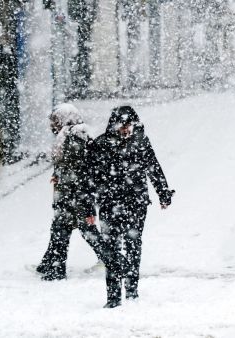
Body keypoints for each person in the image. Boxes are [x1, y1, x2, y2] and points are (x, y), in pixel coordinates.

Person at [89, 105, 174, 308]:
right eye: (122, 125)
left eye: (129, 125)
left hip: (136, 203)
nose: (126, 129)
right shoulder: (101, 144)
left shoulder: (141, 142)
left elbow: (153, 166)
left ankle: (132, 290)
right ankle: (113, 296)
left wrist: (163, 193)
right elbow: (89, 179)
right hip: (109, 205)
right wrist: (88, 207)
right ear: (114, 125)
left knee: (133, 244)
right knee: (110, 248)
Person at [34, 103, 111, 281]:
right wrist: (58, 175)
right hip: (69, 197)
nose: (52, 125)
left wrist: (86, 204)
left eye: (54, 120)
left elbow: (81, 172)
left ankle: (110, 261)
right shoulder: (68, 136)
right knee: (61, 231)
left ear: (64, 119)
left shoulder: (73, 138)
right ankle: (51, 266)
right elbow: (69, 167)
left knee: (78, 231)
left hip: (75, 198)